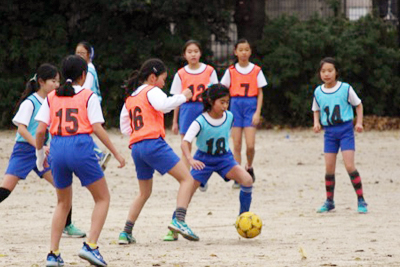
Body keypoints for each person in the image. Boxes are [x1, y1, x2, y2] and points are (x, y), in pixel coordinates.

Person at [35, 55, 126, 267]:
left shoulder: (52, 96)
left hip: (57, 148)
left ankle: (53, 253)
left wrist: (40, 155)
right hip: (80, 147)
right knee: (102, 198)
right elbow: (96, 128)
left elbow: (40, 130)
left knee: (62, 203)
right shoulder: (88, 96)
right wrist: (116, 152)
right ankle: (90, 246)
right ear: (84, 75)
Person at [118, 58, 199, 245]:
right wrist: (184, 96)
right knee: (187, 179)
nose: (164, 84)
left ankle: (126, 232)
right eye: (163, 79)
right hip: (153, 143)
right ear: (153, 78)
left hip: (136, 147)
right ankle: (179, 220)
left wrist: (139, 132)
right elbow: (164, 105)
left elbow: (124, 128)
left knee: (143, 193)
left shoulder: (130, 98)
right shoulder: (152, 90)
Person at [0, 63, 86, 238]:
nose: (56, 84)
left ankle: (67, 225)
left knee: (63, 185)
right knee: (6, 188)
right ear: (41, 81)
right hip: (24, 151)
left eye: (58, 81)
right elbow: (22, 129)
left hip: (42, 151)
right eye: (53, 81)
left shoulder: (51, 101)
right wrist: (38, 145)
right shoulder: (30, 102)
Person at [182, 84, 253, 228]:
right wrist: (190, 159)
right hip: (203, 159)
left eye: (227, 102)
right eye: (222, 102)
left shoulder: (230, 117)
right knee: (187, 191)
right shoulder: (200, 121)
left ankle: (243, 220)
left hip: (224, 158)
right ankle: (177, 223)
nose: (225, 105)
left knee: (247, 180)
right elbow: (185, 142)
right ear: (210, 101)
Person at [312, 57, 368, 214]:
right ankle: (329, 201)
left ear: (336, 72)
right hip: (329, 133)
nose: (327, 74)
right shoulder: (318, 91)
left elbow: (358, 105)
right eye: (323, 71)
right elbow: (316, 108)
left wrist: (359, 122)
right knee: (329, 168)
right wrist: (316, 122)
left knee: (349, 165)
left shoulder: (345, 88)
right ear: (319, 74)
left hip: (345, 130)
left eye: (330, 70)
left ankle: (361, 200)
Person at [220, 38, 267, 189]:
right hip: (235, 106)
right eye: (240, 50)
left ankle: (249, 166)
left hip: (250, 106)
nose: (244, 53)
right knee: (237, 144)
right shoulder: (231, 71)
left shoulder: (256, 70)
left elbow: (260, 93)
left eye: (246, 49)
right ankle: (238, 174)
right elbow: (223, 89)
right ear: (235, 52)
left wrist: (258, 112)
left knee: (251, 145)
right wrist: (224, 108)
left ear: (250, 52)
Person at [170, 40, 219, 181]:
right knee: (186, 144)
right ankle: (187, 178)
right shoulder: (180, 73)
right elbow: (176, 99)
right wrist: (175, 121)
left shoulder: (209, 71)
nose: (193, 54)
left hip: (204, 109)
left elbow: (216, 94)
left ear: (200, 53)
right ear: (184, 55)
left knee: (205, 144)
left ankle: (202, 175)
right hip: (187, 109)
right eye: (189, 52)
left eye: (196, 51)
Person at [75, 41, 111, 171]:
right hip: (89, 102)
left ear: (89, 55)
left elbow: (85, 88)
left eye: (82, 53)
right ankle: (96, 154)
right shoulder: (87, 68)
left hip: (88, 104)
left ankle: (98, 154)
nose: (79, 55)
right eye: (77, 53)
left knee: (82, 131)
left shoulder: (88, 69)